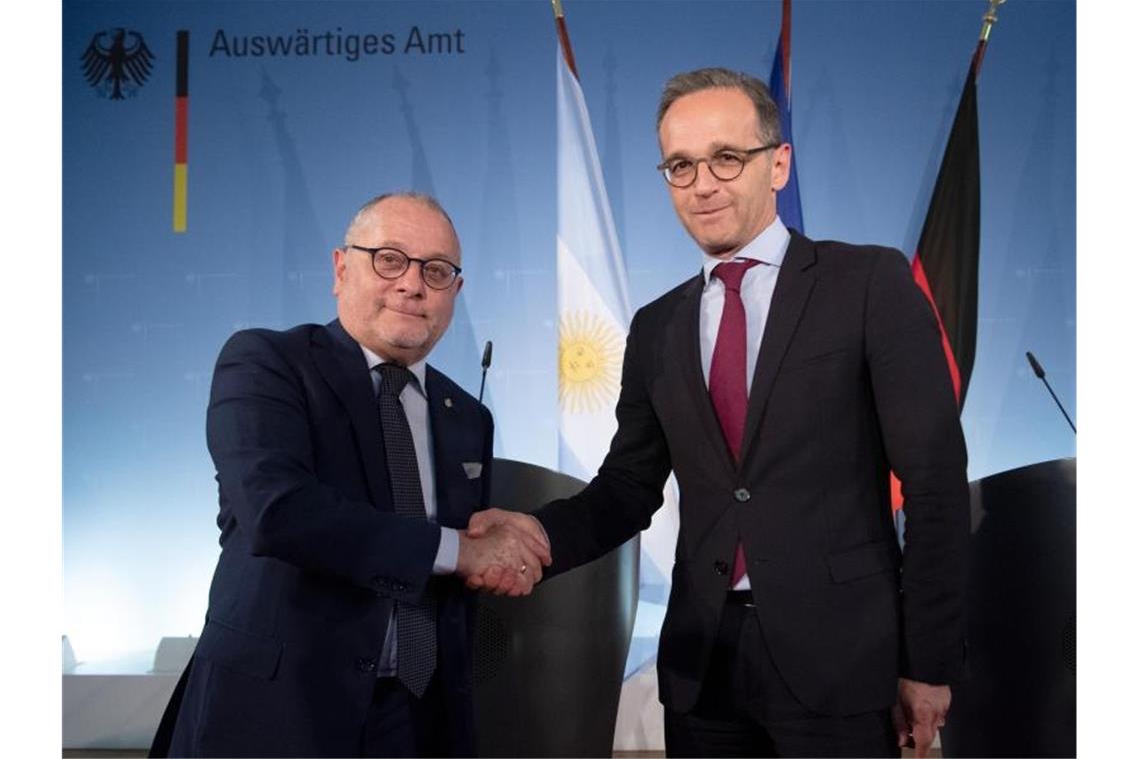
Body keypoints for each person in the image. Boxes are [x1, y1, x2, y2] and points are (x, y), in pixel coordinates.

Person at [469, 68, 969, 758]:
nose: (702, 183)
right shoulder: (655, 327)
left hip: (844, 665)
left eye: (726, 158)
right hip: (703, 669)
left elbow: (936, 483)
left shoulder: (868, 285)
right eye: (680, 165)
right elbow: (627, 489)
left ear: (779, 164)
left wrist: (929, 661)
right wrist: (535, 535)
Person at [151, 192, 550, 758]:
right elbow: (279, 513)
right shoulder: (267, 363)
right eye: (389, 259)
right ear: (341, 268)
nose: (413, 284)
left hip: (420, 720)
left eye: (436, 271)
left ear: (454, 294)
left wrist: (501, 551)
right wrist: (460, 550)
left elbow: (452, 569)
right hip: (275, 716)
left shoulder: (468, 417)